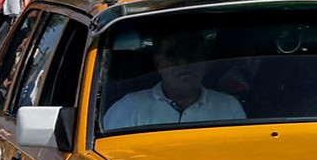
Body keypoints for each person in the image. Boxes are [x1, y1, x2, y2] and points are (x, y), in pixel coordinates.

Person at [103, 31, 246, 129]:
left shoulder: (228, 107)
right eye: (173, 54)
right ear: (158, 63)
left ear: (205, 60)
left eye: (192, 53)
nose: (184, 63)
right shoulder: (129, 108)